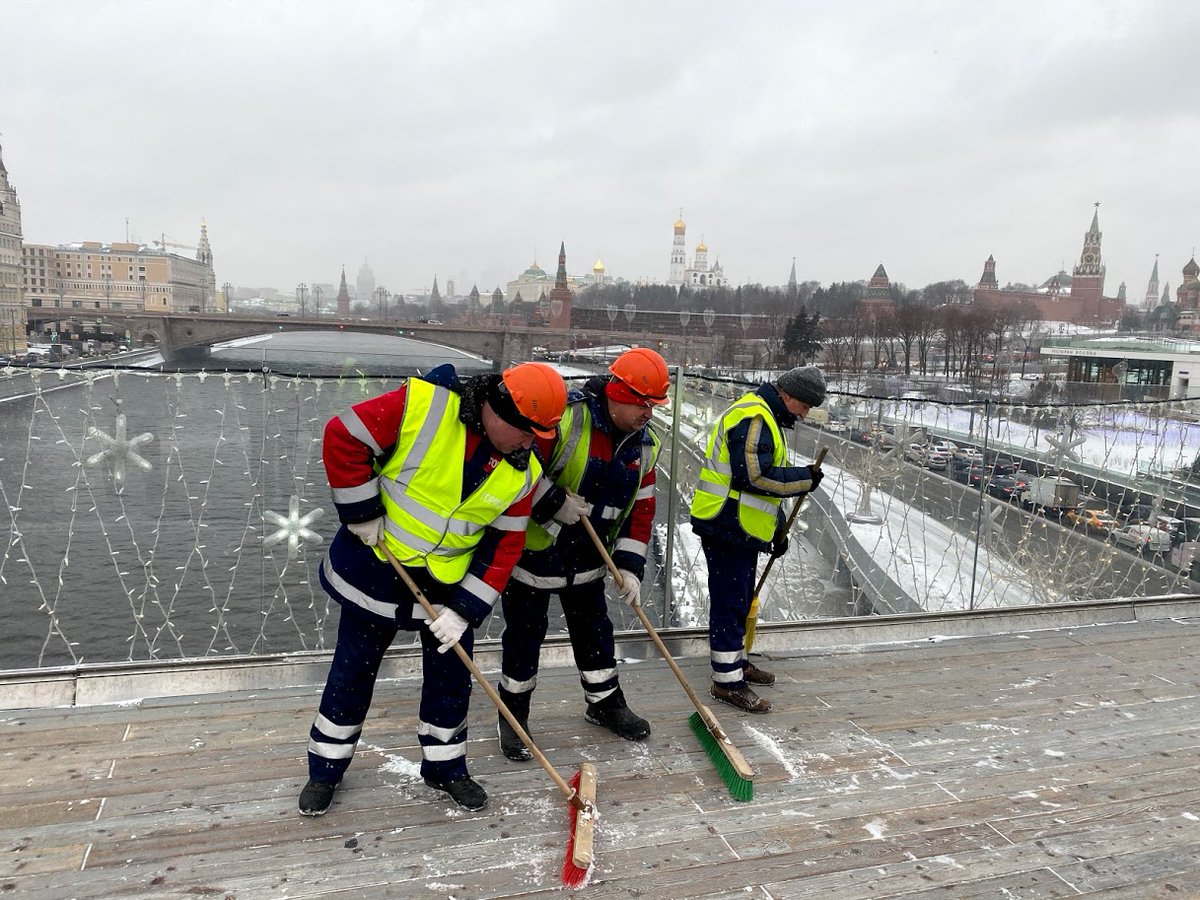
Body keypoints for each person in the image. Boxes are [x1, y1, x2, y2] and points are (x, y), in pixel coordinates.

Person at [299, 361, 567, 816]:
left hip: (448, 586)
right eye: (527, 433)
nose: (530, 445)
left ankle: (446, 768)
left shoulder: (523, 472)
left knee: (451, 681)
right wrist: (362, 510)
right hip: (379, 566)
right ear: (497, 413)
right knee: (352, 672)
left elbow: (505, 545)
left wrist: (464, 610)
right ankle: (325, 769)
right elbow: (343, 435)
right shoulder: (422, 406)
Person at [494, 347, 668, 761]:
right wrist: (553, 501)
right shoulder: (567, 417)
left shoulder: (645, 446)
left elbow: (640, 511)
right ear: (618, 393)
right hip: (534, 553)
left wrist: (629, 567)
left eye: (654, 405)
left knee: (595, 634)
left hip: (590, 557)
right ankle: (513, 716)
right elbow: (514, 465)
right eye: (644, 404)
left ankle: (604, 703)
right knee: (524, 637)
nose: (649, 413)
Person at [689, 365, 826, 714]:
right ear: (789, 395)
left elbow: (762, 495)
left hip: (741, 527)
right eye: (805, 406)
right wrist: (803, 479)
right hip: (725, 525)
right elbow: (752, 477)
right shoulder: (754, 417)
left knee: (739, 599)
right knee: (729, 602)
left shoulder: (766, 417)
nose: (804, 414)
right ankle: (727, 681)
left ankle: (738, 662)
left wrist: (776, 530)